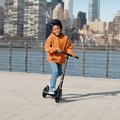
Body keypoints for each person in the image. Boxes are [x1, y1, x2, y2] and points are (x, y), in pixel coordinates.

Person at [44, 19, 76, 94]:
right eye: (54, 29)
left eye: (58, 29)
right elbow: (47, 47)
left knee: (59, 73)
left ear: (61, 28)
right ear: (52, 30)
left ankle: (51, 78)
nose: (57, 31)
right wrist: (54, 49)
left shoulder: (65, 38)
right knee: (55, 72)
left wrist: (71, 54)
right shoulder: (50, 37)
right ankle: (52, 89)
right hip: (52, 58)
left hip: (61, 59)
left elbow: (68, 47)